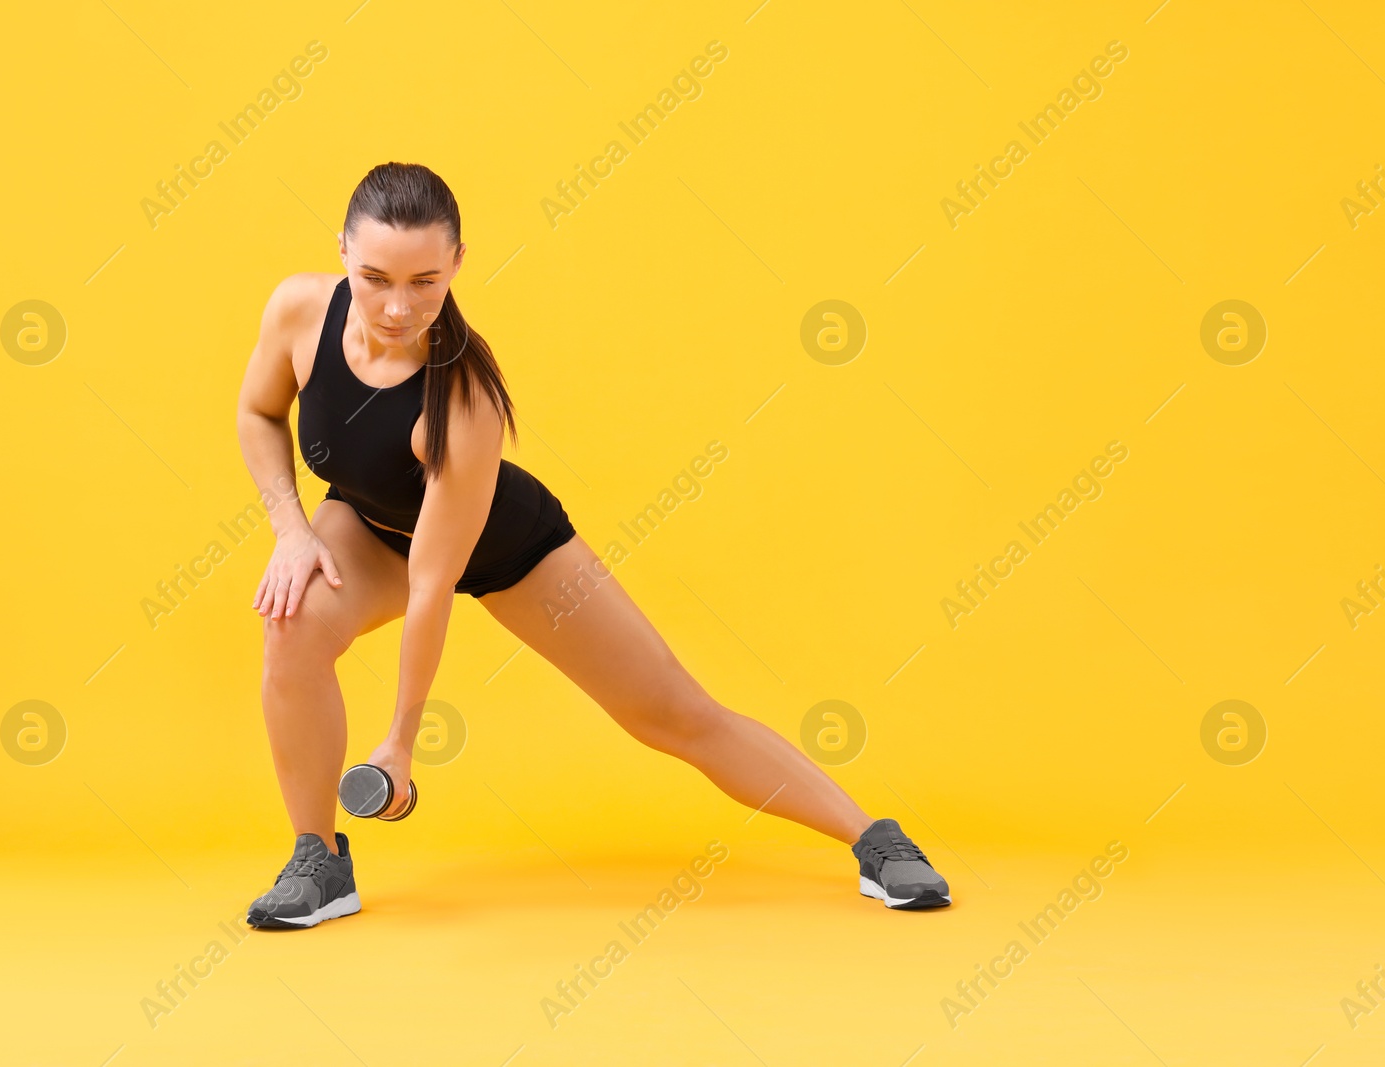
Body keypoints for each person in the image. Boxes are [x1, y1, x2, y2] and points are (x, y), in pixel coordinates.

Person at [233, 162, 950, 928]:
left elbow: (432, 585)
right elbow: (258, 412)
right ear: (342, 249)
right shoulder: (299, 311)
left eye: (425, 281)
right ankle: (319, 859)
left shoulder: (460, 399)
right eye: (375, 277)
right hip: (374, 523)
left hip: (508, 548)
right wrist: (292, 529)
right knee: (291, 624)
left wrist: (399, 743)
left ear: (458, 266)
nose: (398, 306)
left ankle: (876, 839)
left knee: (673, 713)